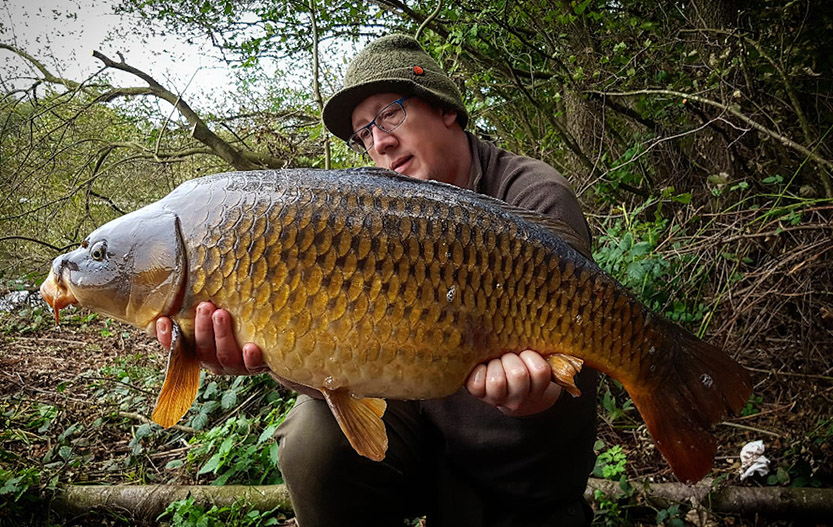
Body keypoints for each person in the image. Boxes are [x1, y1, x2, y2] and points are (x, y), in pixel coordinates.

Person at [156, 34, 598, 526]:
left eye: (390, 114)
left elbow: (577, 357)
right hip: (421, 446)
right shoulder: (375, 217)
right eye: (364, 132)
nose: (380, 141)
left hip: (522, 471)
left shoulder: (533, 198)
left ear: (446, 108)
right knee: (311, 440)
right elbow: (339, 363)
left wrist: (541, 397)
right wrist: (263, 352)